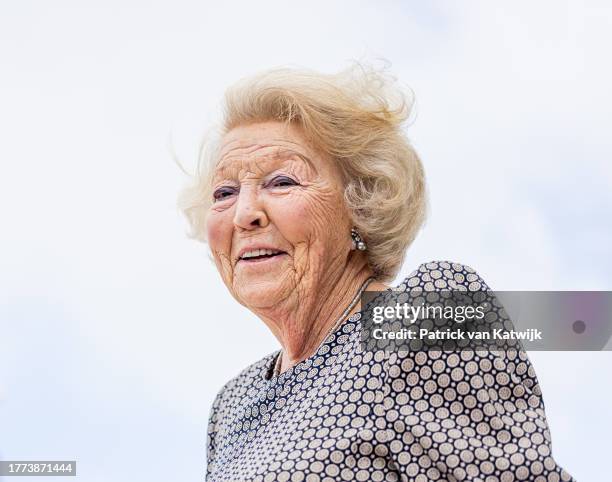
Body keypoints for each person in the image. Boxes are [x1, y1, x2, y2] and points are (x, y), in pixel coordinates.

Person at [178, 64, 574, 481]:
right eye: (224, 192)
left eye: (282, 182)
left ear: (360, 205)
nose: (244, 214)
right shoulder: (232, 406)